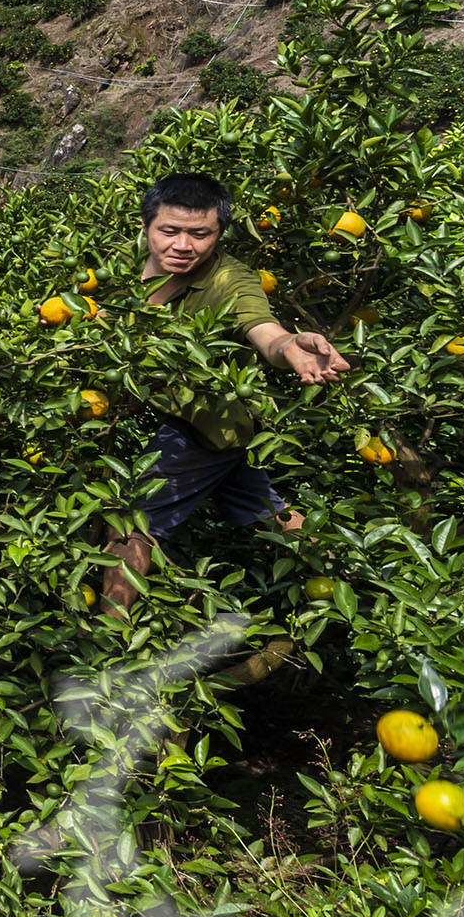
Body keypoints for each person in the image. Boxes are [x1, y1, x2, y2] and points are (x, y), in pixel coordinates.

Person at [100, 172, 351, 609]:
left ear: (219, 233)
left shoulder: (231, 280)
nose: (183, 245)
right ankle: (356, 572)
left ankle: (109, 643)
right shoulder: (113, 269)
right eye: (169, 231)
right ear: (145, 227)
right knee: (268, 516)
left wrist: (291, 346)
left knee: (128, 521)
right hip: (193, 426)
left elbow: (264, 330)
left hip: (198, 425)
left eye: (200, 234)